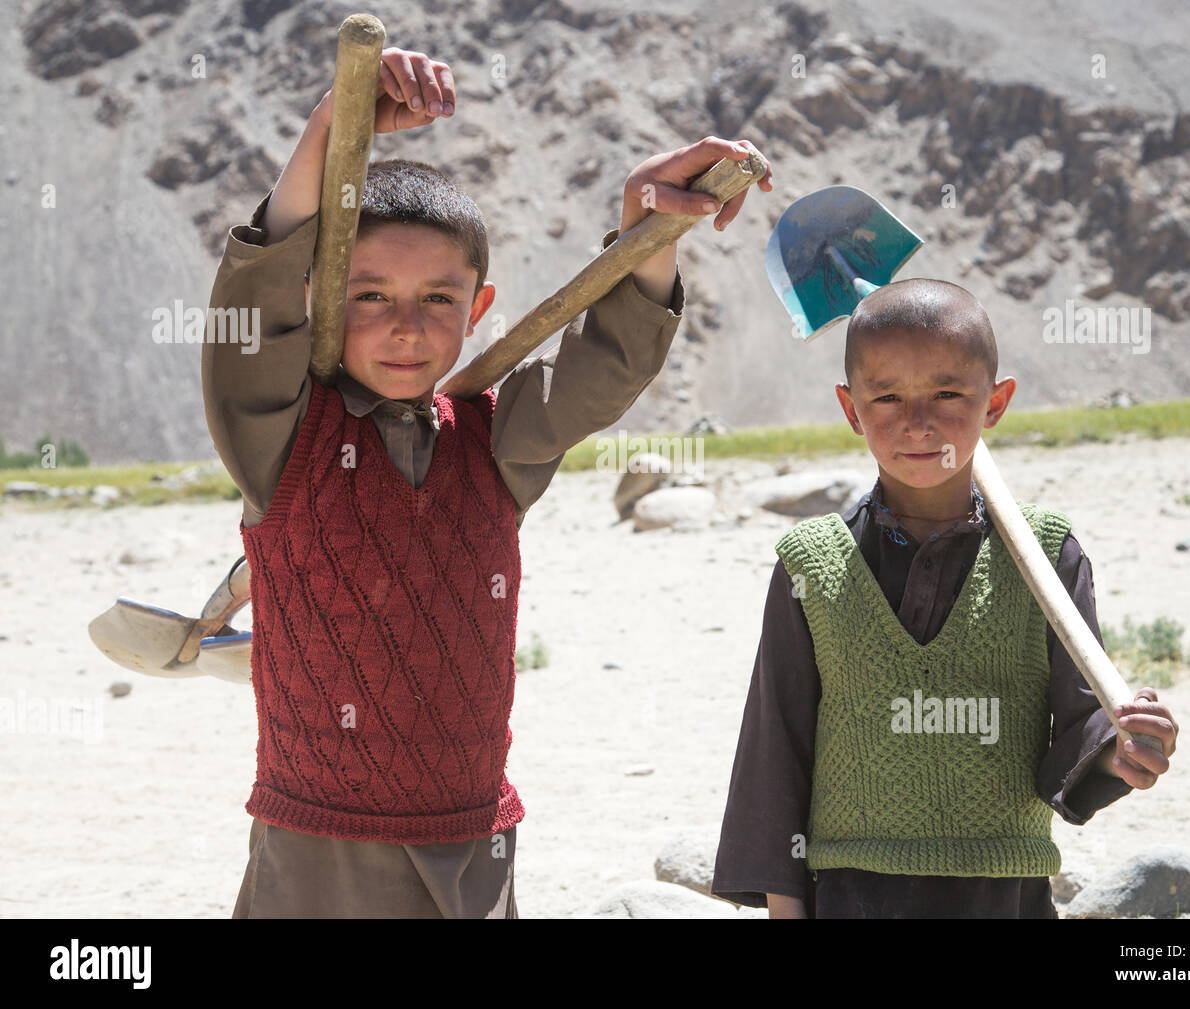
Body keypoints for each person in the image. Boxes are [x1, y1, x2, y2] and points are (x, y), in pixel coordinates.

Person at [202, 45, 773, 918]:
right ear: (318, 299)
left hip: (471, 843)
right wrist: (331, 123)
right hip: (317, 850)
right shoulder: (279, 438)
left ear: (477, 309)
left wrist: (647, 225)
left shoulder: (494, 445)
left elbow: (603, 369)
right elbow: (256, 310)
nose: (405, 326)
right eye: (368, 296)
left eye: (437, 299)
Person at [711, 278, 1178, 918]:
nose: (918, 421)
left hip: (1004, 894)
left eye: (949, 393)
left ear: (997, 402)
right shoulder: (811, 566)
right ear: (851, 410)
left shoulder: (1045, 554)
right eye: (887, 397)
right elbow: (775, 754)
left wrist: (1122, 750)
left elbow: (1082, 724)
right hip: (854, 893)